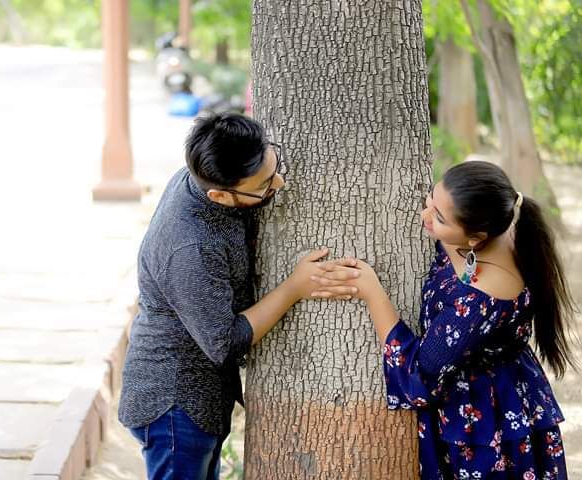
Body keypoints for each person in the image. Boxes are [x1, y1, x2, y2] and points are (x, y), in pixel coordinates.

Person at [118, 113, 359, 480]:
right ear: (219, 195)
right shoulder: (191, 246)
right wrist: (295, 287)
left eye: (273, 166)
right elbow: (224, 342)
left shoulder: (210, 174)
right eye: (263, 186)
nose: (277, 182)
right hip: (176, 402)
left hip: (200, 399)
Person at [316, 161, 577, 479]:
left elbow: (418, 378)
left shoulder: (480, 299)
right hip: (505, 389)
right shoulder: (502, 233)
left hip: (483, 425)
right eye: (430, 201)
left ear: (475, 238)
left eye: (439, 218)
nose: (425, 216)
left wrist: (372, 292)